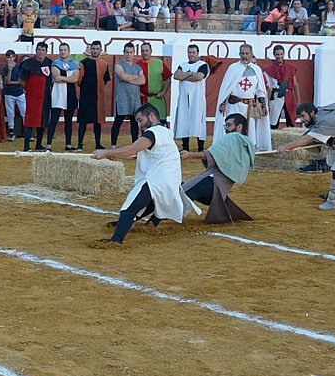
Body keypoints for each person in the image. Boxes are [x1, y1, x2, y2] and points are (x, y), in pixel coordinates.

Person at [94, 103, 196, 244]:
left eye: (140, 120)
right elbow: (138, 154)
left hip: (156, 181)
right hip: (169, 184)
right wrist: (112, 155)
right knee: (143, 206)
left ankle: (116, 240)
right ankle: (128, 223)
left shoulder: (152, 133)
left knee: (129, 208)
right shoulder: (165, 132)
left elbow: (133, 149)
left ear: (152, 116)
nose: (139, 125)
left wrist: (106, 152)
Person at [181, 112, 255, 218]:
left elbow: (210, 154)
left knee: (180, 192)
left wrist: (190, 154)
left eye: (229, 125)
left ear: (239, 127)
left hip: (209, 185)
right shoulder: (248, 144)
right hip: (219, 192)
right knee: (182, 187)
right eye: (225, 125)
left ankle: (162, 216)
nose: (226, 129)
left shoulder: (232, 137)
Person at [216, 44, 270, 151]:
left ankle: (247, 151)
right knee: (233, 127)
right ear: (239, 54)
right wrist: (222, 103)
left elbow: (260, 91)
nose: (244, 56)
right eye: (242, 53)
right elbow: (226, 89)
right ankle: (231, 150)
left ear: (251, 54)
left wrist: (264, 106)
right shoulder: (233, 68)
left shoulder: (256, 69)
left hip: (249, 106)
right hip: (234, 105)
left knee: (249, 130)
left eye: (247, 53)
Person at [172, 44, 210, 153]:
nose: (191, 55)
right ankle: (185, 147)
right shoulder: (183, 65)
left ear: (197, 53)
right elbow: (176, 76)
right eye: (189, 52)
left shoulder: (202, 65)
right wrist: (191, 74)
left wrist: (185, 75)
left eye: (193, 52)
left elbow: (199, 77)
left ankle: (200, 147)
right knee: (184, 120)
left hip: (197, 99)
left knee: (198, 121)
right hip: (184, 98)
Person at [17, 42, 53, 151]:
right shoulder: (28, 63)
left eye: (43, 50)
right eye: (39, 50)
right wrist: (29, 90)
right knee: (30, 120)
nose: (41, 52)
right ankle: (26, 146)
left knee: (43, 120)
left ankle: (39, 144)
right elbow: (22, 81)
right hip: (33, 97)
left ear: (46, 52)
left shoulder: (49, 63)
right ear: (36, 51)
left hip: (45, 96)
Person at [47, 42, 81, 151]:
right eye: (61, 50)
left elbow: (75, 79)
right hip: (58, 94)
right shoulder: (55, 63)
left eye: (65, 50)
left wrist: (62, 78)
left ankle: (68, 144)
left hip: (70, 94)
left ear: (69, 51)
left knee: (68, 121)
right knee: (54, 120)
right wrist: (69, 79)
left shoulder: (74, 64)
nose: (63, 52)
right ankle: (48, 145)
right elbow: (56, 78)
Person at [111, 43, 145, 148]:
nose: (129, 54)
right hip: (122, 97)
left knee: (134, 122)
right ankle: (113, 145)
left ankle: (134, 144)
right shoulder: (118, 64)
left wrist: (129, 79)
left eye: (131, 52)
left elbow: (143, 81)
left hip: (134, 98)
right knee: (118, 121)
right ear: (124, 53)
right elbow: (123, 77)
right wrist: (135, 77)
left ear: (134, 53)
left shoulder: (137, 67)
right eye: (127, 52)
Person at [76, 41, 106, 151]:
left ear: (100, 50)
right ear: (90, 49)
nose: (95, 51)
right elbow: (79, 80)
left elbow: (105, 79)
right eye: (93, 49)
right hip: (86, 96)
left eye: (97, 49)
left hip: (98, 96)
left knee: (97, 122)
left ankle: (98, 144)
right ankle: (80, 144)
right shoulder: (83, 63)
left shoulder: (104, 64)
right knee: (83, 121)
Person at [263, 44, 300, 129]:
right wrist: (267, 103)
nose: (279, 56)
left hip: (289, 95)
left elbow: (295, 85)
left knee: (291, 122)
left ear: (284, 54)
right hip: (276, 95)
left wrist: (298, 101)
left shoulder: (290, 67)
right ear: (274, 55)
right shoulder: (270, 69)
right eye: (277, 54)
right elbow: (268, 88)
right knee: (274, 123)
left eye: (281, 54)